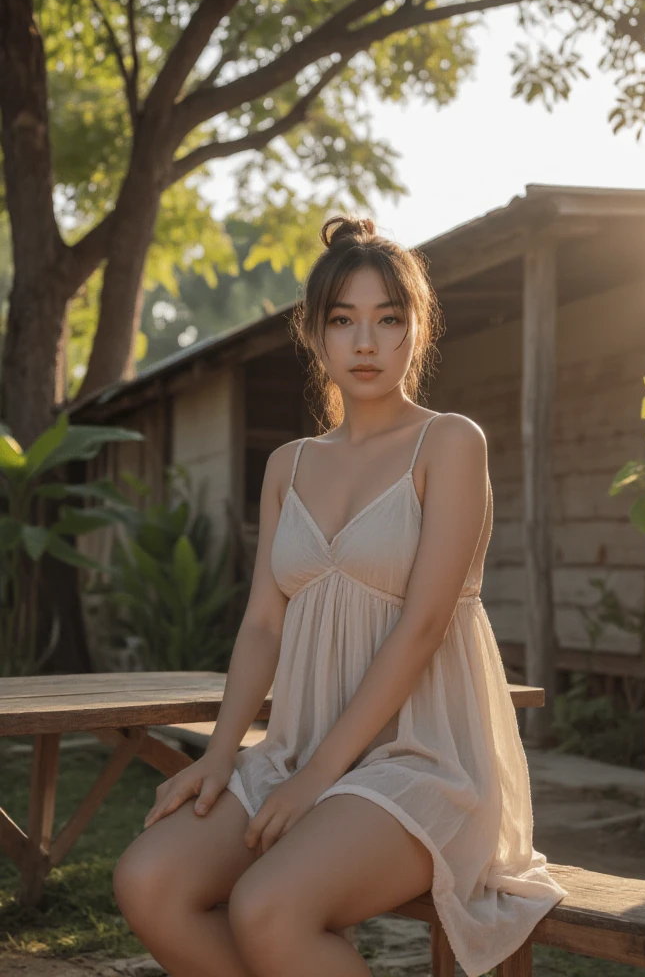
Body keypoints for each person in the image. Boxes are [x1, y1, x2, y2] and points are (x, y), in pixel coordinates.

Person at [113, 215, 567, 977]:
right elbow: (263, 622)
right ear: (315, 335)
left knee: (268, 908)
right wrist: (223, 756)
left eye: (389, 320)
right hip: (296, 750)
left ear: (417, 333)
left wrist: (323, 778)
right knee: (147, 882)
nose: (366, 343)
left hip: (421, 760)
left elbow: (423, 627)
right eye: (344, 320)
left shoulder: (449, 443)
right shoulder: (289, 465)